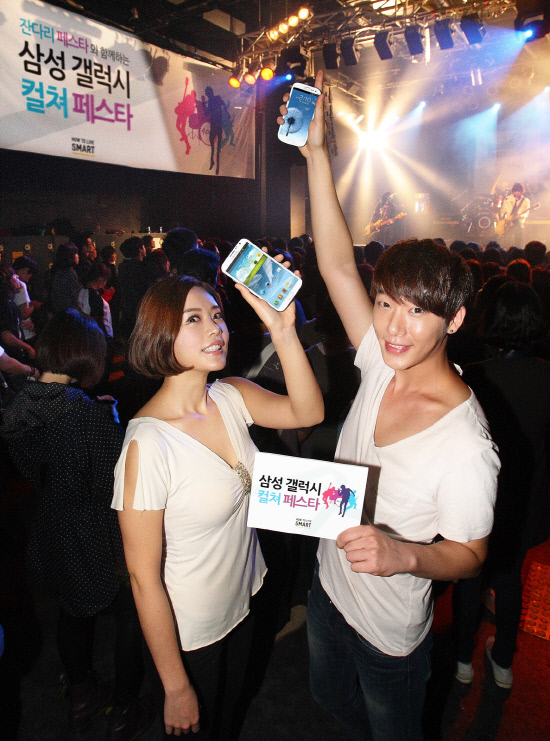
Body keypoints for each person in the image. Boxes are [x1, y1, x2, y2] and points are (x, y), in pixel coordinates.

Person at [278, 70, 500, 741]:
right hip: (329, 587)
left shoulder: (467, 443)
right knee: (326, 695)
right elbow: (337, 266)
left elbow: (469, 552)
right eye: (385, 304)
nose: (395, 328)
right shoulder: (381, 354)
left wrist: (403, 555)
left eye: (418, 312)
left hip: (389, 631)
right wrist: (318, 156)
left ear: (454, 319)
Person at [112, 274, 323, 738]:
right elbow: (143, 579)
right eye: (194, 319)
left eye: (217, 315)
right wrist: (175, 686)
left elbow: (308, 413)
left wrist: (284, 330)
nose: (216, 328)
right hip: (191, 634)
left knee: (229, 718)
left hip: (244, 598)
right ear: (160, 333)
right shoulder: (148, 446)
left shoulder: (230, 395)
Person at [0, 310, 155, 740]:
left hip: (50, 529)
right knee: (133, 612)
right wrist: (111, 424)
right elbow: (117, 482)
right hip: (97, 536)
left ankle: (82, 692)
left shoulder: (20, 403)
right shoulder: (85, 417)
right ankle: (124, 709)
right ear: (88, 356)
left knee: (71, 611)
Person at [454, 282, 550, 690]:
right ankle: (504, 661)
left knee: (469, 577)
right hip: (527, 499)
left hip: (480, 496)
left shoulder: (474, 376)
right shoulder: (546, 375)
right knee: (511, 579)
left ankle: (461, 658)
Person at [499, 183, 531, 249]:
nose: (517, 193)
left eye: (519, 191)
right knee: (507, 240)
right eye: (516, 191)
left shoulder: (526, 201)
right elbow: (503, 210)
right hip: (508, 222)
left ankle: (519, 251)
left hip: (519, 222)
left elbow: (527, 213)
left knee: (519, 240)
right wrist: (505, 218)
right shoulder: (508, 199)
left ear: (522, 191)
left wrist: (521, 216)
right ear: (513, 191)